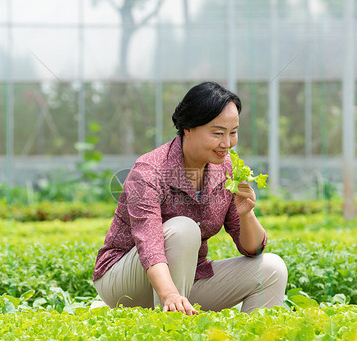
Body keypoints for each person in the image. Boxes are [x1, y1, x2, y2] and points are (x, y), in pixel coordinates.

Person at [92, 82, 287, 315]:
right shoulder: (150, 171)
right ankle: (171, 329)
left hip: (187, 278)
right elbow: (149, 245)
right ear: (188, 128)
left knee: (272, 269)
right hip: (124, 279)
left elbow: (252, 249)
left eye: (233, 132)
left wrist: (247, 214)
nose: (227, 143)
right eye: (217, 133)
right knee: (183, 228)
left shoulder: (226, 168)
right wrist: (170, 294)